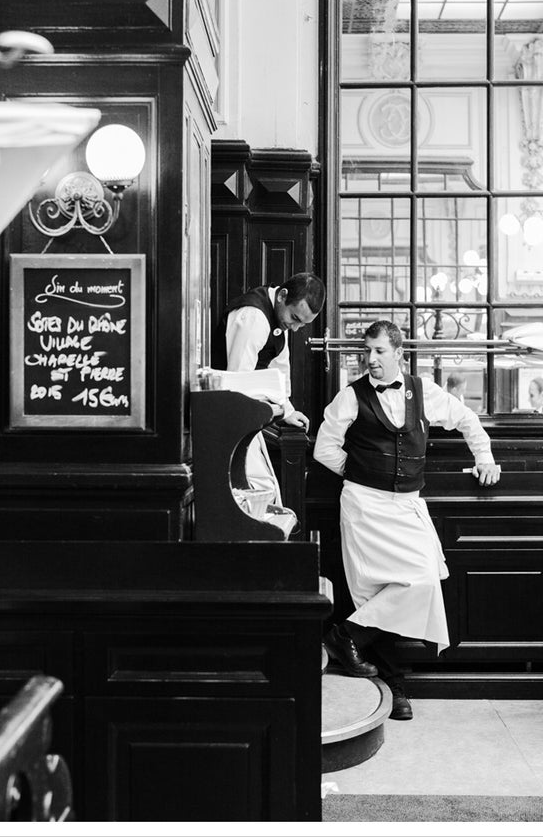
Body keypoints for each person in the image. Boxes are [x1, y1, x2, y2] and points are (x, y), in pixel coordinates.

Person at [313, 320, 500, 720]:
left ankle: (345, 635)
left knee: (423, 580)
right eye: (367, 351)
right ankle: (395, 686)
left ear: (398, 353)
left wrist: (484, 457)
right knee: (374, 594)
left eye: (379, 351)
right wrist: (362, 472)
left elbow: (466, 419)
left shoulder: (424, 391)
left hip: (407, 507)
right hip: (364, 506)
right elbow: (324, 449)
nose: (371, 359)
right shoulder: (350, 396)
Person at [211, 272, 326, 503]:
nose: (295, 328)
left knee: (264, 487)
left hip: (246, 413)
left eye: (302, 324)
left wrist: (288, 410)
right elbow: (238, 381)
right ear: (282, 295)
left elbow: (279, 371)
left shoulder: (278, 318)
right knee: (257, 487)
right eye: (295, 318)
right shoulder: (253, 316)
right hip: (227, 415)